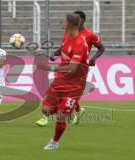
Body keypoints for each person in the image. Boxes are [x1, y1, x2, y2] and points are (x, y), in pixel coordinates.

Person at [35, 10, 105, 126]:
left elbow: (101, 48)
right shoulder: (68, 32)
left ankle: (45, 117)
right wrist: (54, 54)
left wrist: (94, 59)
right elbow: (63, 47)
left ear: (82, 20)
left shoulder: (90, 35)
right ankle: (78, 110)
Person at [36, 13, 89, 150]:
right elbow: (64, 50)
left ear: (70, 24)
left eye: (64, 21)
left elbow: (72, 67)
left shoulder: (80, 44)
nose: (62, 23)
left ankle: (54, 142)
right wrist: (55, 54)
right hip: (60, 80)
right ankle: (66, 108)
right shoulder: (66, 35)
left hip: (74, 85)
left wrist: (48, 67)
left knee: (60, 116)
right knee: (46, 110)